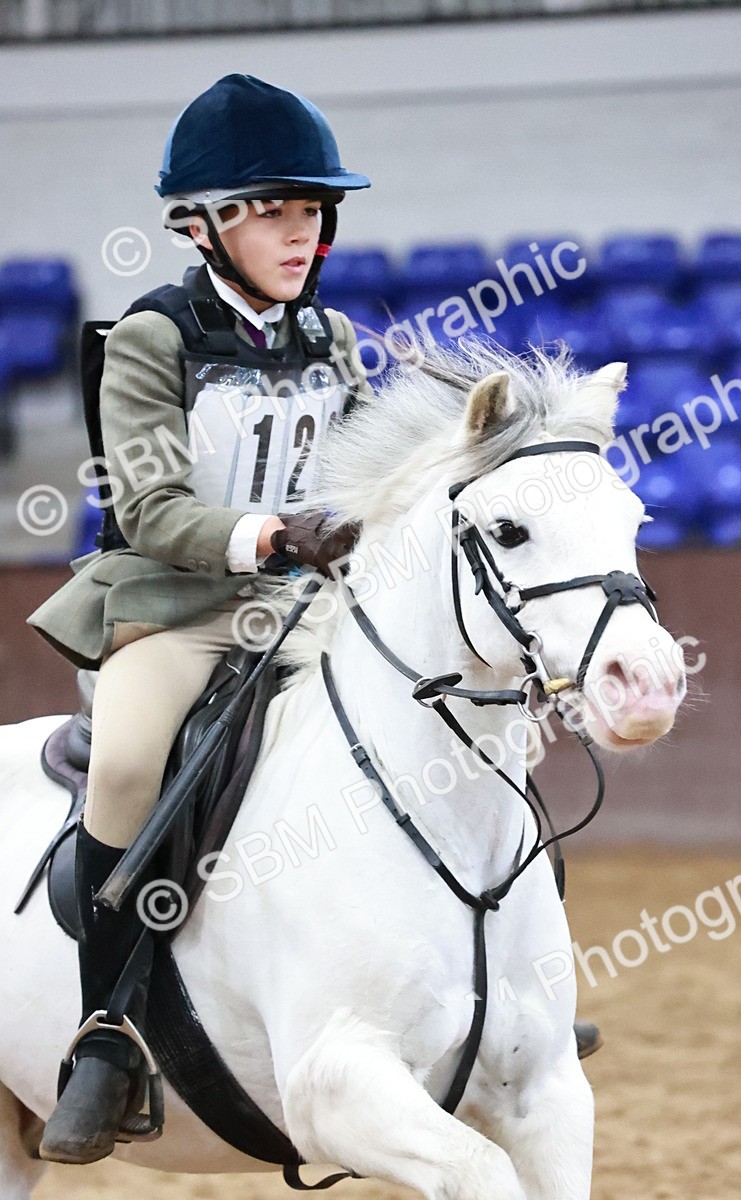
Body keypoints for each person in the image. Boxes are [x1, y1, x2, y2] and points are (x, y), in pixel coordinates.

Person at [28, 72, 374, 1165]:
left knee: (444, 722)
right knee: (128, 764)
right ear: (203, 224)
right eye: (273, 209)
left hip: (305, 610)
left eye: (310, 211)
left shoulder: (336, 339)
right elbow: (150, 506)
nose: (298, 231)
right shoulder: (151, 337)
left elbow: (376, 470)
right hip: (175, 612)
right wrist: (276, 536)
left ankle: (491, 988)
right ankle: (102, 1039)